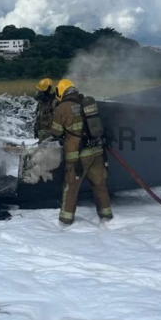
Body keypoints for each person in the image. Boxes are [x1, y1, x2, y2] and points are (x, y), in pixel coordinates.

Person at [49, 79, 113, 226]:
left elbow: (56, 132)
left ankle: (65, 220)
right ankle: (106, 216)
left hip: (78, 156)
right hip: (97, 152)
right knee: (100, 185)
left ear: (61, 92)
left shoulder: (62, 108)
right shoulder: (86, 103)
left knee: (71, 188)